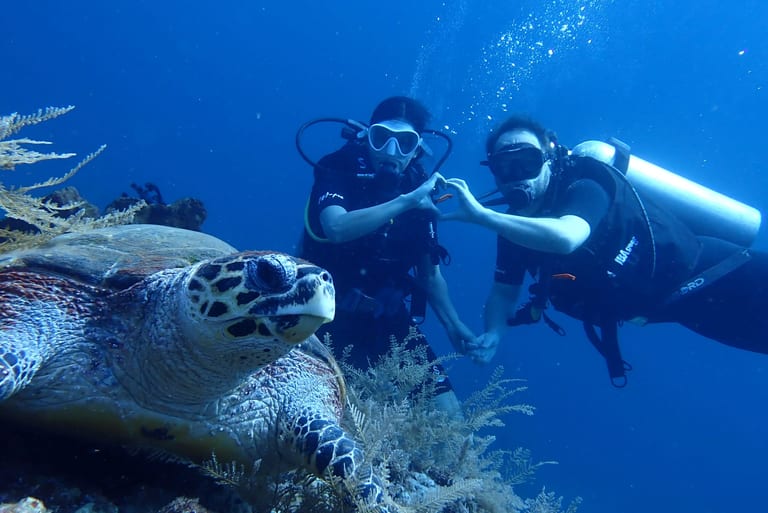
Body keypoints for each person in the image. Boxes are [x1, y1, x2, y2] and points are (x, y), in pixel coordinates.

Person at [442, 115, 768, 385]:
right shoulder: (513, 228)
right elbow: (503, 292)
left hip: (725, 271)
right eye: (504, 168)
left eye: (526, 163)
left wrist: (485, 217)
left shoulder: (585, 181)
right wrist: (494, 333)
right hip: (685, 310)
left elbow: (568, 235)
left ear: (549, 158)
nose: (516, 179)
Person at [299, 96, 477, 409]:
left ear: (418, 149)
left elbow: (430, 273)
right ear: (368, 137)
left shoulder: (419, 188)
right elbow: (336, 227)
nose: (391, 153)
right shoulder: (338, 167)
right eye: (382, 138)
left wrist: (453, 324)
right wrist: (408, 200)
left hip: (387, 314)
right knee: (334, 407)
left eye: (405, 143)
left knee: (447, 414)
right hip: (321, 311)